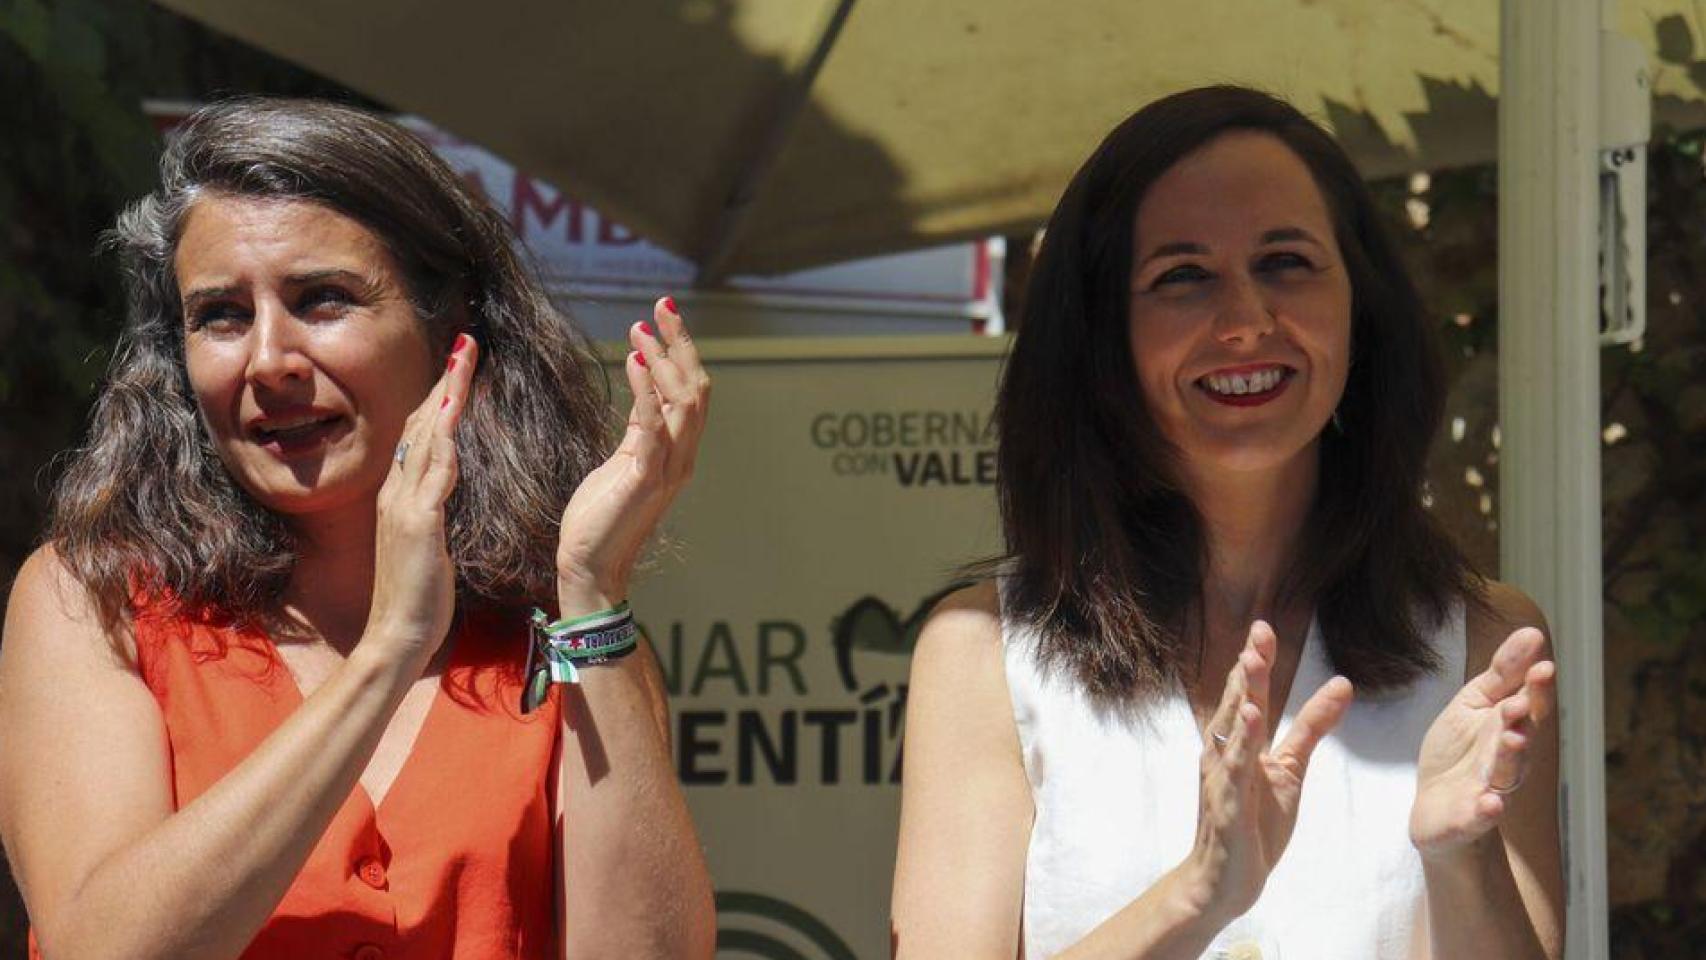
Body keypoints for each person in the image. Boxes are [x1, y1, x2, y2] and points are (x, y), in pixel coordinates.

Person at [0, 99, 716, 959]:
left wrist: (594, 592)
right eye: (222, 315)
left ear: (452, 332)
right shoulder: (95, 600)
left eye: (324, 300)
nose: (269, 360)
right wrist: (390, 652)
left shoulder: (564, 632)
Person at [891, 86, 1563, 959]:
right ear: (1104, 339)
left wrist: (1460, 859)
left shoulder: (1483, 642)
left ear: (1360, 308)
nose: (1246, 320)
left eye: (1286, 261)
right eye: (1182, 277)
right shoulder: (983, 652)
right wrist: (1195, 895)